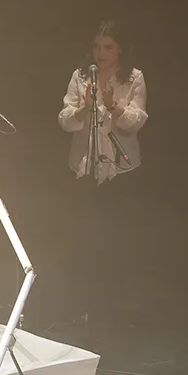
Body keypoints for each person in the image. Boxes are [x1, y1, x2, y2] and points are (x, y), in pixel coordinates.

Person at [57, 20, 149, 320]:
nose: (101, 52)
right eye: (97, 46)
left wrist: (113, 107)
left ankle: (115, 304)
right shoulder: (81, 76)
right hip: (84, 166)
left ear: (120, 47)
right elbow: (64, 119)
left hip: (121, 169)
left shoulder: (133, 78)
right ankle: (82, 301)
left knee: (117, 238)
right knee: (84, 236)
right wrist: (84, 109)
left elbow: (137, 121)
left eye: (108, 47)